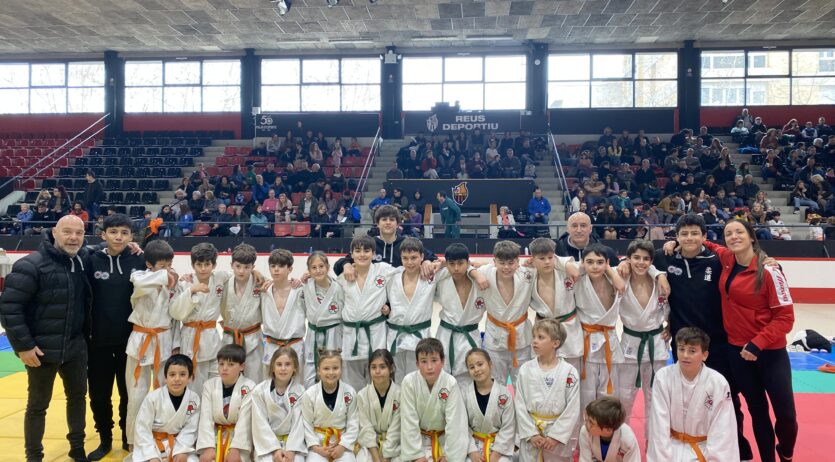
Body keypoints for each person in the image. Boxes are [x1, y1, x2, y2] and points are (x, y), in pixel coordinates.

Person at [653, 214, 753, 460]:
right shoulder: (665, 258)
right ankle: (686, 447)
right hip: (683, 344)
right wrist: (659, 274)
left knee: (727, 400)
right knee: (684, 398)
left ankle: (735, 449)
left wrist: (768, 261)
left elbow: (746, 259)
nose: (689, 238)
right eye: (684, 234)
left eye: (695, 233)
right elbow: (645, 261)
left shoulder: (717, 260)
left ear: (705, 237)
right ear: (676, 237)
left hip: (716, 343)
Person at [701, 220, 798, 462]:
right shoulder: (726, 258)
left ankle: (785, 452)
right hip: (738, 352)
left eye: (739, 232)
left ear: (752, 237)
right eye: (728, 234)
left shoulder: (769, 270)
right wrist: (683, 241)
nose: (733, 237)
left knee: (786, 415)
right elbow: (709, 244)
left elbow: (786, 317)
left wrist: (757, 343)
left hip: (770, 353)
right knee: (758, 412)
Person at [0, 215, 91, 462]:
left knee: (77, 399)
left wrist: (134, 245)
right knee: (37, 406)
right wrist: (24, 346)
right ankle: (34, 456)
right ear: (54, 233)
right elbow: (9, 309)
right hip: (41, 350)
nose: (73, 238)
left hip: (75, 347)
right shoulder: (31, 265)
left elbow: (106, 249)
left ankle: (77, 448)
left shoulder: (82, 260)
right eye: (67, 232)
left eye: (79, 233)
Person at [86, 214, 147, 460]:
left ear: (132, 236)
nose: (118, 237)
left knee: (128, 395)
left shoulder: (140, 260)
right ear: (103, 235)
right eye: (113, 232)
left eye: (124, 232)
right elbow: (67, 247)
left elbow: (166, 268)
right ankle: (104, 439)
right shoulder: (91, 260)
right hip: (97, 341)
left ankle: (127, 436)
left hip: (130, 342)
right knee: (99, 395)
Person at [647, 327, 740, 461]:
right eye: (681, 349)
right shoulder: (663, 377)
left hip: (704, 449)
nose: (685, 355)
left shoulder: (718, 383)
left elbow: (723, 431)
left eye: (692, 351)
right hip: (671, 448)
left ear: (704, 355)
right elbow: (659, 426)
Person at [124, 240, 180, 451]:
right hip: (140, 341)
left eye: (169, 264)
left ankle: (163, 435)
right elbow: (140, 285)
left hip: (164, 341)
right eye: (162, 265)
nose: (167, 269)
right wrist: (168, 275)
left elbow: (177, 317)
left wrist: (176, 345)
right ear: (149, 264)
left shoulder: (175, 284)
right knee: (136, 396)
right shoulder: (138, 277)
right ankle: (133, 441)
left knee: (165, 392)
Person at [616, 240, 669, 434]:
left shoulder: (660, 282)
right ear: (628, 259)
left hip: (657, 344)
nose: (641, 262)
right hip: (630, 344)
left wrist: (670, 325)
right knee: (624, 397)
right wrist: (622, 262)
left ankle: (653, 441)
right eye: (636, 258)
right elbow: (600, 269)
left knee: (655, 398)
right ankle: (621, 438)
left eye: (646, 259)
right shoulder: (620, 279)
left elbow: (671, 308)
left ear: (652, 262)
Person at [515, 319, 581, 462]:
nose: (534, 341)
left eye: (541, 337)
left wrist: (555, 437)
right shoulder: (525, 369)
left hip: (556, 439)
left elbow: (572, 409)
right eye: (534, 337)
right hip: (532, 435)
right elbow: (519, 404)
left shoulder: (569, 372)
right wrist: (531, 434)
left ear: (555, 343)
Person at [338, 235, 399, 390]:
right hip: (351, 335)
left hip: (375, 333)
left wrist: (389, 305)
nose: (362, 254)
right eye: (358, 251)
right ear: (351, 254)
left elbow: (407, 271)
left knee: (377, 380)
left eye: (367, 251)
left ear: (373, 253)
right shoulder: (343, 277)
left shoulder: (383, 270)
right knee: (351, 384)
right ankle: (354, 413)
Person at [169, 242, 230, 395]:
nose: (203, 268)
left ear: (214, 265)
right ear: (192, 265)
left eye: (207, 264)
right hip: (190, 337)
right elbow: (176, 313)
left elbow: (241, 275)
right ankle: (193, 416)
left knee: (215, 384)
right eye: (199, 264)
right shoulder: (185, 284)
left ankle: (211, 416)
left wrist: (257, 274)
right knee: (193, 384)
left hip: (211, 337)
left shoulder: (221, 278)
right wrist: (191, 291)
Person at [474, 240, 535, 384]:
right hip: (495, 338)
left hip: (521, 338)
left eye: (511, 263)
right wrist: (474, 272)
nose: (506, 267)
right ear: (494, 261)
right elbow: (461, 263)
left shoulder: (529, 274)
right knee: (496, 383)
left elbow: (553, 261)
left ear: (518, 261)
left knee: (523, 384)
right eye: (502, 263)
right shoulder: (484, 273)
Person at [399, 338, 468, 461]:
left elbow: (455, 423)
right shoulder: (409, 382)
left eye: (434, 360)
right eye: (424, 361)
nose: (429, 367)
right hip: (419, 441)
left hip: (444, 442)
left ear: (442, 361)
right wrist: (416, 455)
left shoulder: (450, 383)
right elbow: (408, 420)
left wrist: (449, 455)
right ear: (417, 364)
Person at [575, 244, 625, 410]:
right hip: (586, 341)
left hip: (609, 341)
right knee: (585, 393)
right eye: (589, 262)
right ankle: (584, 432)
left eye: (599, 262)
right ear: (583, 263)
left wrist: (611, 272)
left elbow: (646, 265)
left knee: (609, 393)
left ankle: (606, 432)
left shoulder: (617, 278)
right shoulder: (577, 280)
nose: (595, 266)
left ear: (607, 262)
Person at [131, 354, 201, 462]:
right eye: (172, 374)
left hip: (180, 444)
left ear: (190, 377)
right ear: (165, 377)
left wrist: (182, 451)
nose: (177, 379)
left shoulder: (193, 399)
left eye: (182, 374)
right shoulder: (153, 398)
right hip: (153, 445)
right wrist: (151, 456)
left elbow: (191, 429)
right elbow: (142, 429)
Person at [334, 205, 438, 278]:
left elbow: (433, 258)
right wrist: (346, 265)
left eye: (392, 220)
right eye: (384, 219)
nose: (388, 223)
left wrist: (427, 262)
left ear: (398, 224)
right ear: (377, 223)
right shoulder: (369, 244)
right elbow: (338, 266)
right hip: (375, 299)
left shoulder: (407, 243)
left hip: (401, 298)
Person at [385, 237, 436, 381]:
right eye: (405, 258)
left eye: (414, 258)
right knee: (397, 381)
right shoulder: (391, 276)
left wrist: (430, 263)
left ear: (422, 257)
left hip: (420, 336)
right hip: (395, 336)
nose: (409, 262)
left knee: (419, 381)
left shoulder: (431, 276)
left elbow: (458, 265)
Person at [528, 238, 583, 373]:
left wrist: (566, 263)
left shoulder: (566, 272)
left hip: (569, 327)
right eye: (542, 258)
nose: (547, 262)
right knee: (543, 372)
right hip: (543, 328)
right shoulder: (528, 276)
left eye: (550, 257)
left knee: (572, 374)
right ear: (532, 260)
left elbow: (589, 265)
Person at [433, 243, 484, 382]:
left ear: (468, 263)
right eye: (451, 263)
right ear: (446, 264)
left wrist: (474, 270)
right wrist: (439, 264)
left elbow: (496, 266)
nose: (456, 268)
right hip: (445, 336)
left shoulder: (480, 279)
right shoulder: (440, 278)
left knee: (471, 378)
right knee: (443, 377)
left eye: (461, 263)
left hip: (470, 336)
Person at [196, 344, 255, 461]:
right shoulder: (209, 385)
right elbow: (205, 418)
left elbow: (245, 421)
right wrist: (208, 446)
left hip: (238, 440)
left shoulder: (249, 387)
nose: (224, 368)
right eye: (221, 364)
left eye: (231, 364)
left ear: (242, 366)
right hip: (214, 437)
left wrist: (236, 449)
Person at [300, 349, 359, 462]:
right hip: (318, 444)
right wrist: (317, 448)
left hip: (342, 443)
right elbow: (306, 424)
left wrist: (342, 446)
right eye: (326, 368)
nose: (331, 372)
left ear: (341, 370)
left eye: (335, 368)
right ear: (318, 371)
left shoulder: (350, 392)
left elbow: (353, 423)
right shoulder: (310, 394)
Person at [250, 347, 307, 462]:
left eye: (288, 364)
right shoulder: (259, 391)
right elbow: (260, 424)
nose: (283, 368)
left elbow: (299, 424)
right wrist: (275, 449)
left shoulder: (301, 391)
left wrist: (291, 450)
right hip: (268, 445)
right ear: (272, 368)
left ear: (295, 368)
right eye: (279, 364)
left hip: (293, 445)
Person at [220, 244, 264, 383]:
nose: (241, 271)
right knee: (228, 381)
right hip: (229, 339)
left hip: (253, 340)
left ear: (253, 268)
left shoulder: (261, 283)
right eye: (238, 266)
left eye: (246, 267)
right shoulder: (223, 282)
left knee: (254, 380)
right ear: (231, 265)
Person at [260, 249, 306, 380]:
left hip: (294, 345)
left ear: (290, 269)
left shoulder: (299, 291)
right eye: (273, 266)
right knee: (269, 386)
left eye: (281, 266)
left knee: (296, 387)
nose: (276, 270)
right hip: (271, 345)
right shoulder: (264, 290)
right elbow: (244, 271)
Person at [300, 252, 344, 388]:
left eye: (321, 266)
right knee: (309, 370)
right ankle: (309, 401)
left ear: (328, 267)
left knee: (332, 369)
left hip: (333, 333)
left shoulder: (339, 287)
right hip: (313, 334)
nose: (318, 270)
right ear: (308, 270)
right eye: (313, 268)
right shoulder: (306, 286)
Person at [463, 349, 516, 462]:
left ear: (490, 364)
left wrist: (495, 455)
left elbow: (508, 427)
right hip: (474, 447)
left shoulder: (505, 394)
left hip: (499, 448)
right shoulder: (465, 395)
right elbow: (462, 426)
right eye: (472, 367)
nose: (476, 370)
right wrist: (472, 452)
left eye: (480, 364)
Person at [356, 349, 402, 462]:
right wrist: (377, 459)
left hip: (395, 444)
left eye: (382, 367)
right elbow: (366, 428)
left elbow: (396, 430)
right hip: (371, 446)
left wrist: (385, 458)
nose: (377, 371)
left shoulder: (401, 394)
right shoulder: (362, 395)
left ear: (391, 369)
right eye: (373, 367)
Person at [579, 397, 639, 462]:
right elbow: (585, 460)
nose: (586, 424)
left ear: (607, 429)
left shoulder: (627, 439)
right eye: (586, 419)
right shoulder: (585, 431)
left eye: (591, 422)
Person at [555, 212, 619, 265]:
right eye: (574, 226)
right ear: (568, 229)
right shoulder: (555, 253)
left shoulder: (607, 253)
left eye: (583, 225)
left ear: (590, 229)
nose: (579, 230)